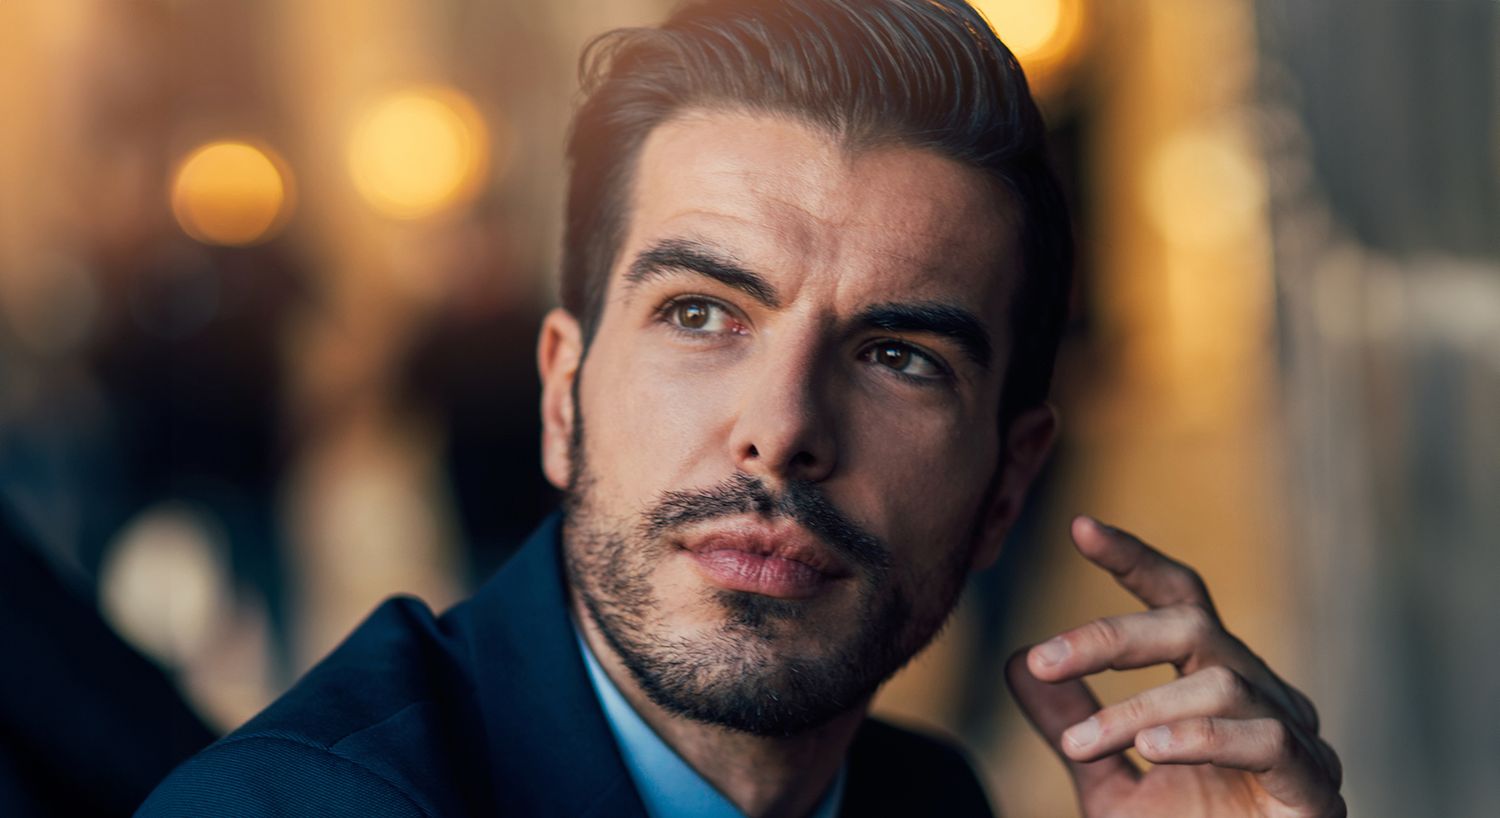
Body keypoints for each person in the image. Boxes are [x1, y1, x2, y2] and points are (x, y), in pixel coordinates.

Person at [139, 0, 1345, 815]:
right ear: (563, 394)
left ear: (1006, 489)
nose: (781, 426)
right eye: (703, 315)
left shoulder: (922, 798)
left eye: (898, 354)